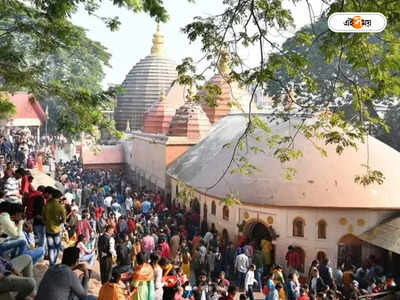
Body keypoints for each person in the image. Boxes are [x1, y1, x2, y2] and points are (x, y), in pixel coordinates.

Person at [42, 187, 66, 266]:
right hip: (57, 230)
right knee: (57, 247)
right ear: (58, 197)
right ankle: (54, 261)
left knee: (50, 247)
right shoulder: (60, 206)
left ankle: (51, 263)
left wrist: (47, 223)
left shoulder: (46, 205)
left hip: (48, 229)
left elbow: (43, 217)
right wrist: (58, 223)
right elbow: (63, 219)